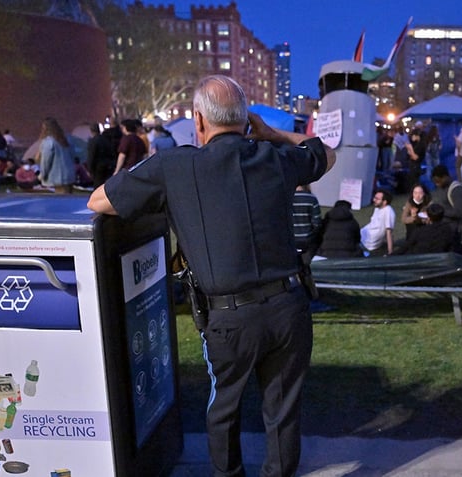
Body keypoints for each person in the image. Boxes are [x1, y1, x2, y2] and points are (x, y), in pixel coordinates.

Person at [87, 74, 335, 477]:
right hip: (289, 307)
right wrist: (273, 135)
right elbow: (326, 154)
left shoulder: (175, 166)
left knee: (224, 409)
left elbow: (98, 200)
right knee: (283, 408)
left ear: (199, 121)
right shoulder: (273, 157)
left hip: (229, 318)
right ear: (245, 119)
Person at [430, 164, 462, 247]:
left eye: (438, 181)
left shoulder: (456, 190)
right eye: (435, 182)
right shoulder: (442, 188)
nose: (437, 184)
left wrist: (440, 212)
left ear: (445, 177)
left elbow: (459, 212)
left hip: (452, 229)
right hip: (441, 225)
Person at [38, 117, 75, 194]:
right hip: (70, 175)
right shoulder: (67, 139)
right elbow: (73, 155)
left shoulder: (49, 142)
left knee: (60, 201)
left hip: (57, 178)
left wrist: (43, 174)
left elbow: (46, 161)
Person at [292, 184, 322, 264]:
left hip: (290, 240)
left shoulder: (287, 198)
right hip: (307, 240)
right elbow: (317, 223)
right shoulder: (311, 198)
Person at [360, 189, 395, 256]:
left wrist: (390, 251)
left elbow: (389, 232)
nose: (374, 200)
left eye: (377, 199)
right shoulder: (377, 208)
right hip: (363, 235)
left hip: (368, 242)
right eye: (374, 197)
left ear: (384, 202)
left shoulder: (388, 211)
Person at [86, 123, 116, 187]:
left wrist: (89, 169)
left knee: (98, 185)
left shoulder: (93, 141)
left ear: (91, 131)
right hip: (108, 165)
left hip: (98, 167)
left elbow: (91, 156)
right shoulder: (105, 139)